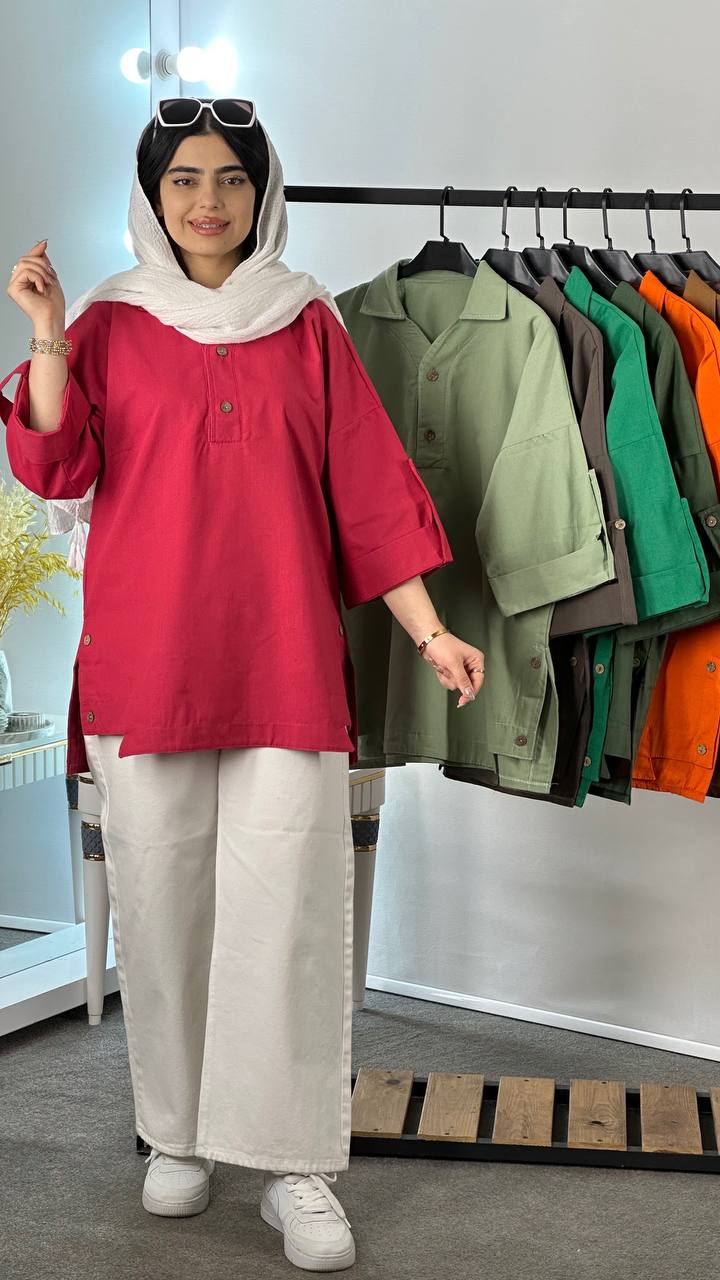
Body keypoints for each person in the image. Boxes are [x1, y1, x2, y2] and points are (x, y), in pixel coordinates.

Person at [3, 99, 485, 1272]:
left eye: (229, 177)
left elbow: (366, 492)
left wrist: (430, 631)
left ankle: (293, 1164)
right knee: (163, 906)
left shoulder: (307, 320)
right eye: (184, 179)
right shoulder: (111, 320)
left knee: (288, 917)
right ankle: (175, 1133)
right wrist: (50, 334)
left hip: (284, 660)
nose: (207, 200)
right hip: (147, 664)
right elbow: (53, 466)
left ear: (261, 193)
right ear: (152, 195)